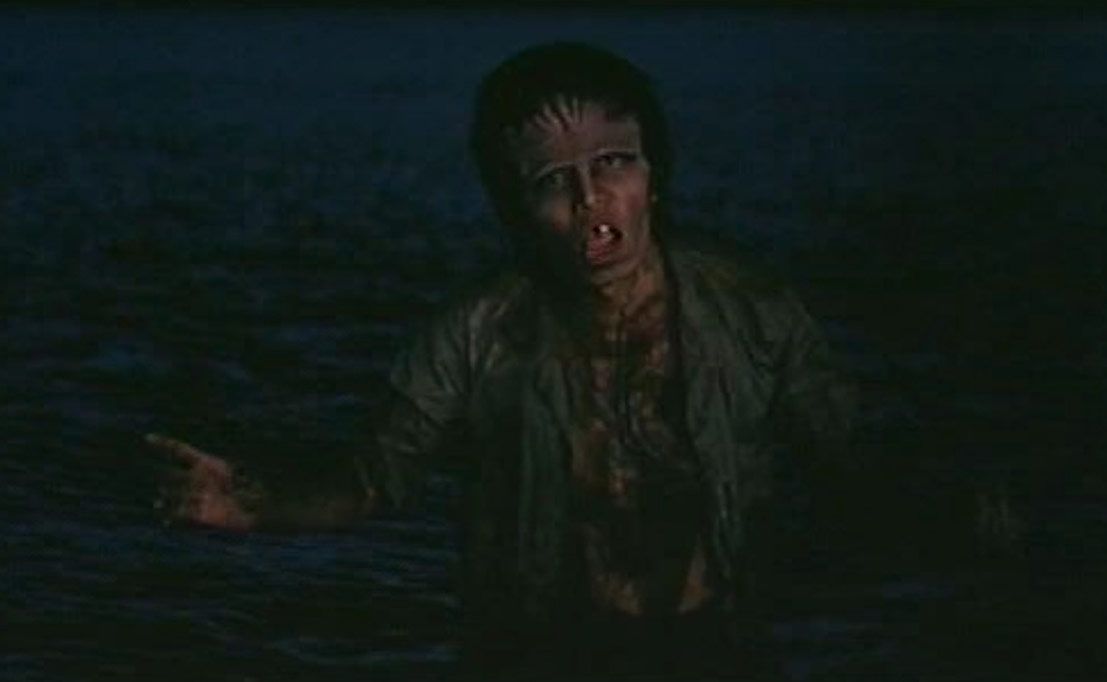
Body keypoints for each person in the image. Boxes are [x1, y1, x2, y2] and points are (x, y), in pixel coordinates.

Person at [149, 42, 858, 679]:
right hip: (542, 654)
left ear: (655, 174)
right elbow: (373, 478)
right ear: (517, 208)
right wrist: (256, 503)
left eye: (613, 162)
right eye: (553, 179)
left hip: (716, 649)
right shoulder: (475, 333)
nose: (590, 197)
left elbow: (848, 469)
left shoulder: (756, 313)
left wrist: (929, 540)